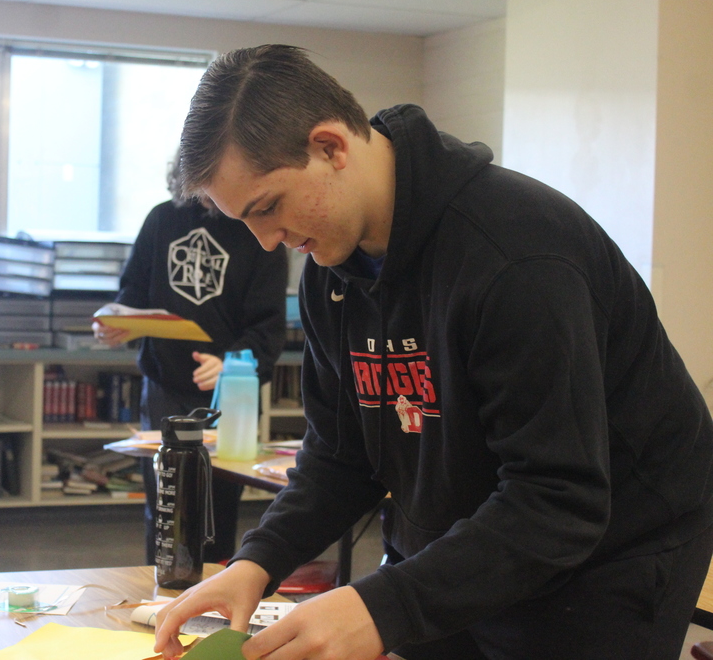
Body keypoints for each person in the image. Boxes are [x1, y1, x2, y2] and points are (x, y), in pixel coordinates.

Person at [153, 45, 713, 660]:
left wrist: (384, 604)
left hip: (609, 547)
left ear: (330, 147)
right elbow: (342, 456)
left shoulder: (514, 255)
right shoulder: (331, 272)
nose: (266, 244)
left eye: (268, 208)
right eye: (246, 222)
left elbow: (559, 498)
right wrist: (256, 562)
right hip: (463, 537)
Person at [94, 152, 288, 565]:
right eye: (200, 187)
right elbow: (133, 296)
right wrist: (116, 323)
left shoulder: (260, 230)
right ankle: (160, 596)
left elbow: (268, 329)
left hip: (227, 394)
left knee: (215, 509)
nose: (208, 199)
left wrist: (232, 363)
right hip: (163, 386)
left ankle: (213, 600)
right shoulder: (162, 220)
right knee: (165, 509)